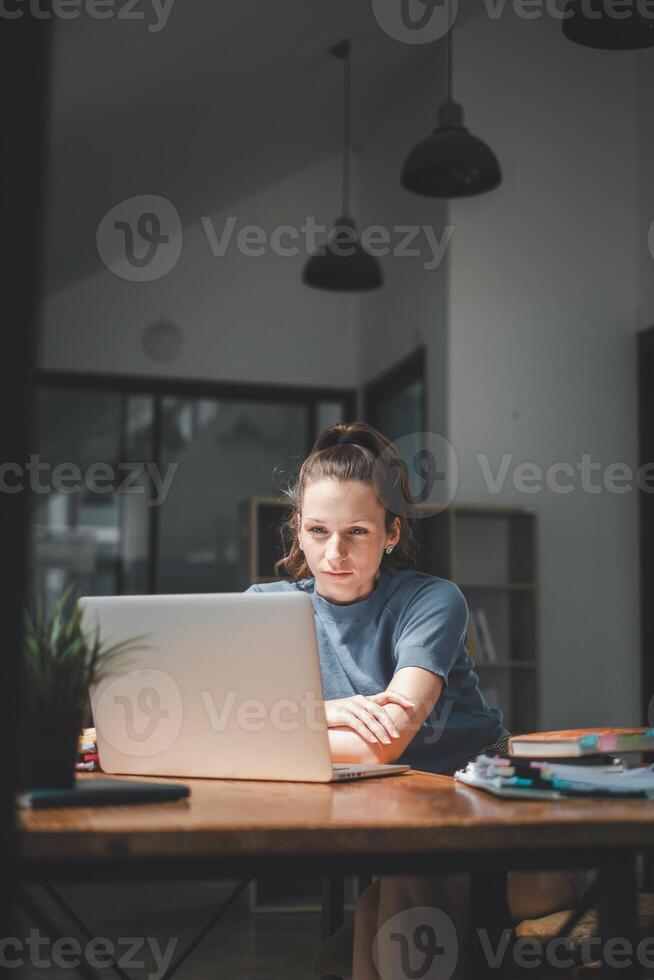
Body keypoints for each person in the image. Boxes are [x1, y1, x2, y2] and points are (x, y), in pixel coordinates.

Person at [246, 421, 589, 978]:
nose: (334, 552)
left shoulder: (431, 599)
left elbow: (385, 742)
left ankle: (566, 879)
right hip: (388, 806)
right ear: (298, 532)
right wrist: (321, 712)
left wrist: (276, 720)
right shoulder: (264, 605)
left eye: (357, 531)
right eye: (317, 529)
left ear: (391, 533)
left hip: (476, 789)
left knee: (402, 887)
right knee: (391, 888)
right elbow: (226, 725)